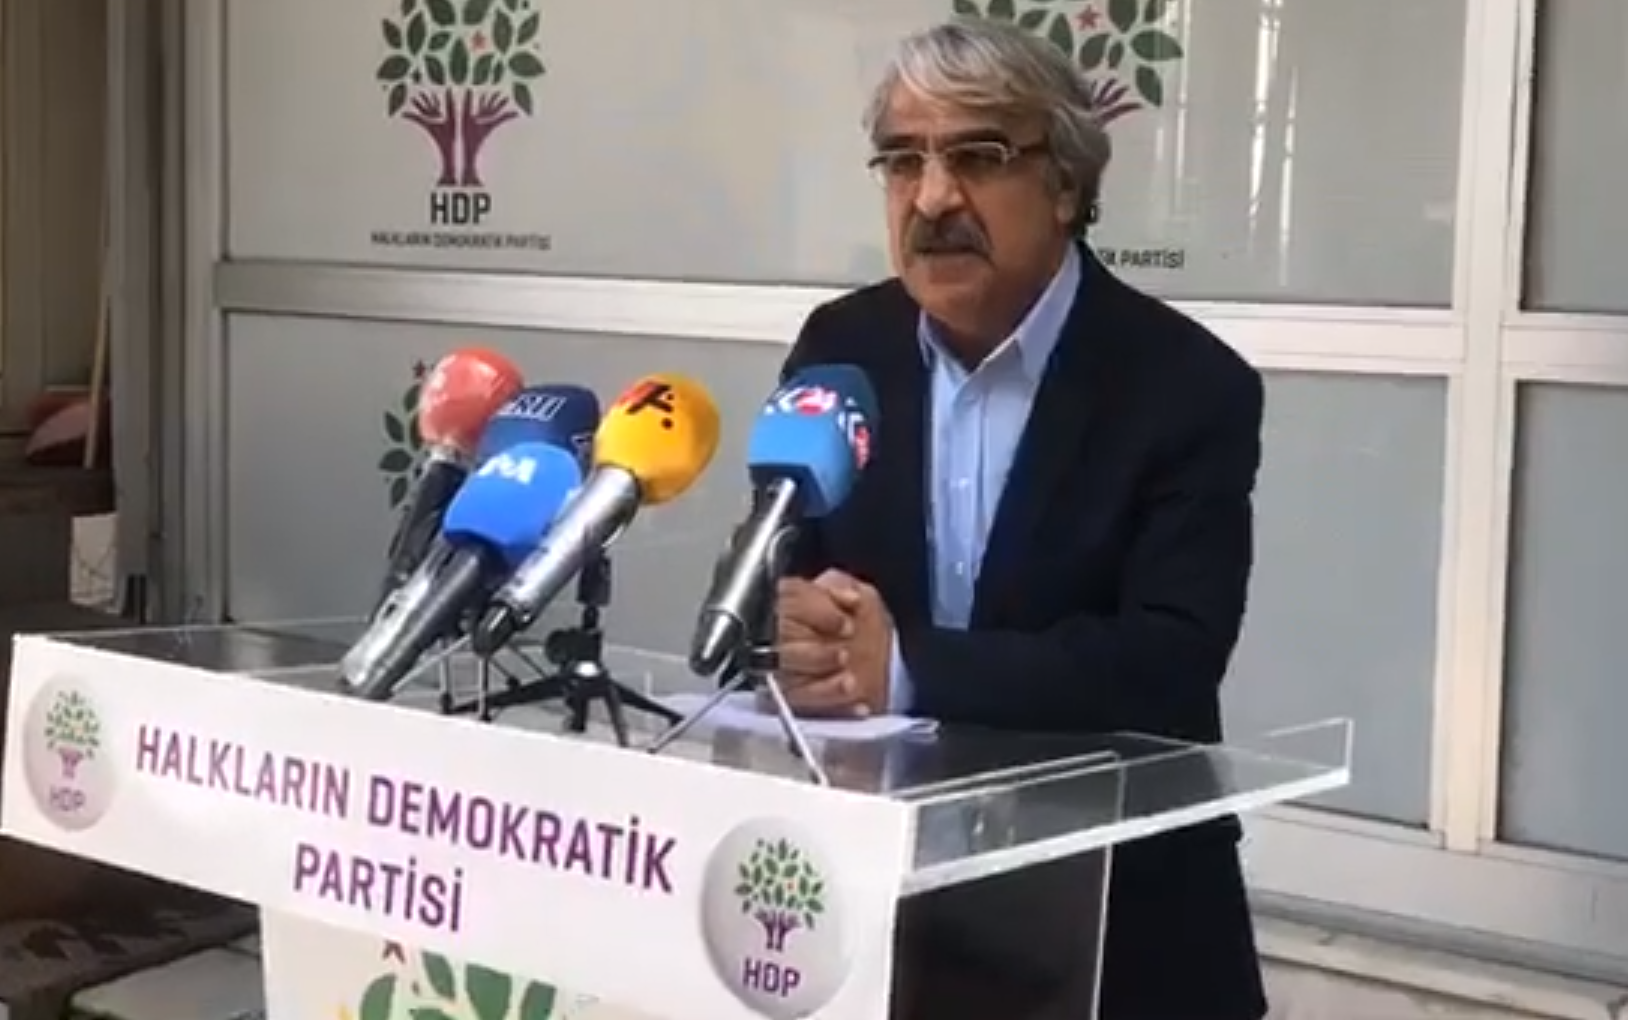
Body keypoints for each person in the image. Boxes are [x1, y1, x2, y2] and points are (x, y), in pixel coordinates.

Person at [773, 16, 1267, 1020]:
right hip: (882, 924)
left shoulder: (1184, 385)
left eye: (978, 156)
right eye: (903, 160)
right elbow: (772, 559)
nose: (932, 197)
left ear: (1066, 184)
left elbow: (1168, 659)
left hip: (1119, 934)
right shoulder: (842, 346)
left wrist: (903, 667)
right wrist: (780, 628)